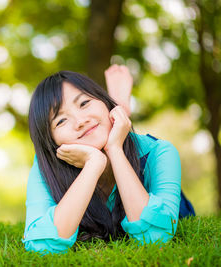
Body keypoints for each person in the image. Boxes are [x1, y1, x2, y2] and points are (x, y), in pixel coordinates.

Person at [22, 65, 194, 254]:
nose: (80, 121)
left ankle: (119, 109)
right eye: (61, 121)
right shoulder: (46, 166)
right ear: (51, 142)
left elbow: (154, 237)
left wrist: (114, 148)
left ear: (104, 102)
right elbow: (41, 246)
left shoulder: (158, 152)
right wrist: (93, 165)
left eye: (84, 103)